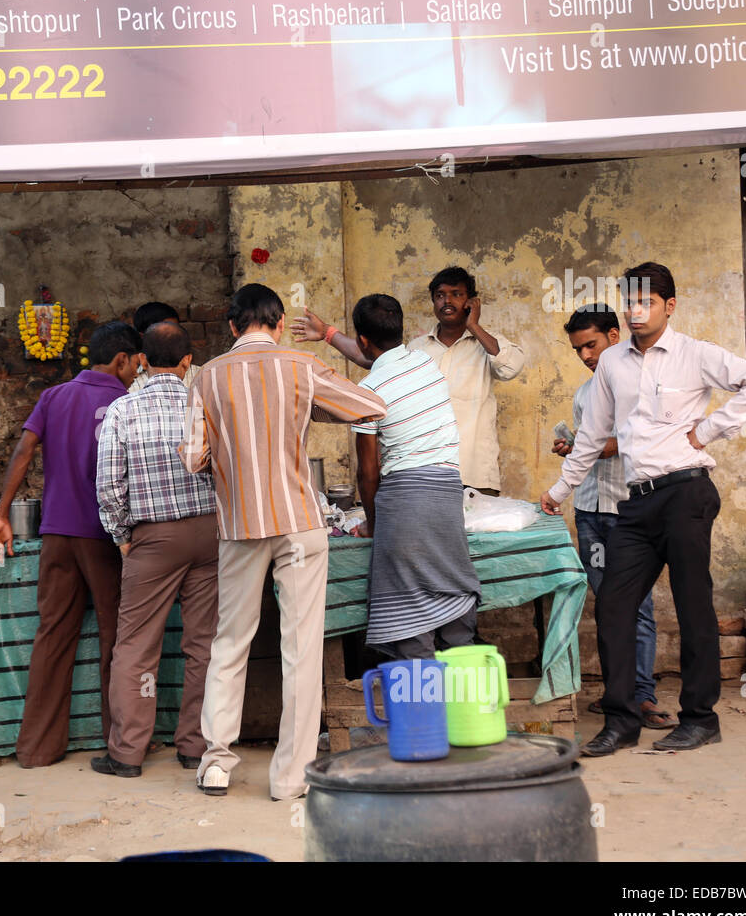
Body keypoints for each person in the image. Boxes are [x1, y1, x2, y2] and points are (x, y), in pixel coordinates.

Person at [541, 262, 746, 755]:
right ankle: (622, 720)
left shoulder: (695, 354)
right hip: (636, 501)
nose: (634, 311)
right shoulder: (611, 364)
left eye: (645, 302)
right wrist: (560, 491)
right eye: (628, 302)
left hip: (687, 493)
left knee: (693, 606)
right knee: (613, 605)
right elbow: (590, 437)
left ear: (668, 307)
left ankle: (700, 717)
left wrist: (709, 430)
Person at [179, 283, 386, 800]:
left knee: (230, 642)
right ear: (277, 322)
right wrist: (309, 410)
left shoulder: (204, 377)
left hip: (239, 527)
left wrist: (228, 452)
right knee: (300, 649)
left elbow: (192, 459)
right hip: (299, 521)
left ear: (232, 326)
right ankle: (290, 778)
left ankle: (216, 763)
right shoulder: (300, 366)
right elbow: (370, 407)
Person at [0, 321, 142, 768]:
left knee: (53, 636)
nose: (137, 371)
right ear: (121, 360)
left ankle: (37, 749)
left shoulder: (52, 397)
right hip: (106, 538)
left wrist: (2, 514)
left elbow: (23, 451)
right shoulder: (123, 401)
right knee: (118, 638)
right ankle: (121, 744)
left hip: (57, 534)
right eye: (135, 363)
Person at [92, 321, 218, 778]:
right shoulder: (205, 406)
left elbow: (108, 486)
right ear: (188, 362)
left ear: (141, 360)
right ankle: (195, 746)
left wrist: (121, 536)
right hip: (210, 536)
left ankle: (127, 753)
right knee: (204, 645)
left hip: (152, 539)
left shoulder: (122, 410)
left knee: (136, 649)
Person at [294, 266, 525, 493]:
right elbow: (373, 359)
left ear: (471, 302)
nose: (447, 301)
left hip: (475, 474)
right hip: (426, 479)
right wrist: (327, 332)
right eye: (440, 295)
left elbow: (510, 368)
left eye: (457, 294)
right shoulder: (418, 350)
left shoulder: (488, 345)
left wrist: (473, 326)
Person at [554, 304, 671, 730]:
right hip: (590, 511)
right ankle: (617, 694)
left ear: (613, 336)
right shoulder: (584, 394)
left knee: (636, 605)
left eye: (591, 344)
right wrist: (571, 447)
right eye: (578, 349)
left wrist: (594, 448)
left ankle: (643, 696)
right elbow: (591, 445)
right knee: (607, 606)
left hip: (631, 510)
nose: (585, 355)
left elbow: (645, 437)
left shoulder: (642, 385)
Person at [349, 294, 480, 659]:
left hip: (404, 501)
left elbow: (368, 472)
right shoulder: (424, 361)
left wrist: (373, 523)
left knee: (408, 609)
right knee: (450, 586)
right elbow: (374, 360)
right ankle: (465, 708)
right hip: (448, 492)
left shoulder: (369, 391)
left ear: (362, 340)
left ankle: (422, 713)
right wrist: (328, 335)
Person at [128, 302, 201, 393]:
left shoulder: (201, 375)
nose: (171, 338)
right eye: (162, 334)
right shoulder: (129, 382)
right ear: (142, 337)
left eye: (175, 332)